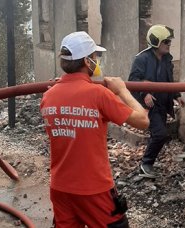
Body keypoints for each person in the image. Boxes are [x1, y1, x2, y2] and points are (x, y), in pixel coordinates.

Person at [40, 31, 149, 228]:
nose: (97, 60)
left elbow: (73, 100)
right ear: (87, 61)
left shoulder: (49, 96)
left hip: (60, 188)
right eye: (95, 56)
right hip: (94, 188)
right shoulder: (98, 95)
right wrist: (122, 90)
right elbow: (143, 121)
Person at [128, 24, 185, 178]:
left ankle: (148, 163)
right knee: (160, 134)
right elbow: (133, 80)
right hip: (149, 105)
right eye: (166, 42)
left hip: (162, 104)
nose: (169, 44)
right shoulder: (142, 59)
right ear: (156, 41)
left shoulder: (167, 59)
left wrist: (176, 95)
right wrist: (145, 93)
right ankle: (146, 164)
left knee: (159, 134)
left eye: (169, 42)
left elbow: (169, 81)